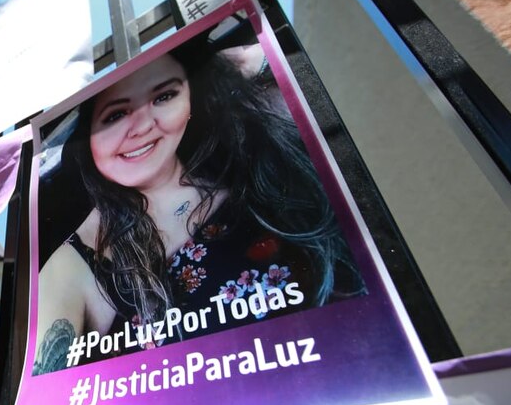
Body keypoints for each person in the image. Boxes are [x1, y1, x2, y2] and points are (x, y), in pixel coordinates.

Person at [33, 33, 364, 375]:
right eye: (115, 115)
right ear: (86, 136)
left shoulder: (258, 164)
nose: (144, 125)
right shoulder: (73, 267)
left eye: (164, 96)